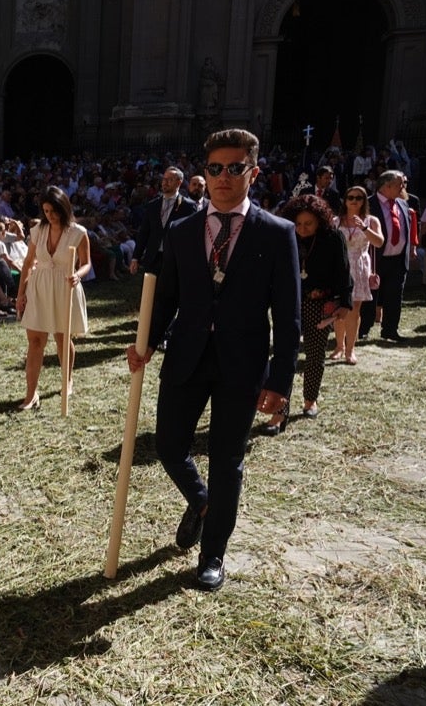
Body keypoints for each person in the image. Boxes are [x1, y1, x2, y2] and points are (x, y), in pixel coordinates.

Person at [126, 129, 300, 591]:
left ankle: (213, 553)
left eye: (235, 168)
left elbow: (287, 317)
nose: (224, 177)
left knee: (227, 460)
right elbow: (166, 299)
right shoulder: (182, 231)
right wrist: (145, 342)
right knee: (167, 445)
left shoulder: (277, 234)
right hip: (186, 358)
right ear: (205, 173)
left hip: (242, 368)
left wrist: (279, 381)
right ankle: (202, 502)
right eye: (216, 168)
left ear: (253, 172)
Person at [264, 195, 351, 433]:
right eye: (298, 224)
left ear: (319, 222)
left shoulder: (333, 238)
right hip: (287, 302)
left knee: (314, 355)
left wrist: (344, 302)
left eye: (308, 224)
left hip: (318, 304)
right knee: (284, 355)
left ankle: (310, 400)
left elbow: (344, 272)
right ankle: (279, 412)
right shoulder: (284, 236)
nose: (302, 229)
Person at [16, 185, 90, 409]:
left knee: (62, 338)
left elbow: (87, 263)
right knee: (35, 342)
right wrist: (21, 293)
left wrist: (78, 274)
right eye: (46, 211)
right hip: (39, 287)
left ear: (64, 207)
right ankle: (31, 394)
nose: (50, 215)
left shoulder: (78, 232)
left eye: (54, 210)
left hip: (64, 287)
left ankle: (67, 380)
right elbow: (28, 262)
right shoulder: (38, 230)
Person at [359, 170, 417, 342]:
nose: (403, 187)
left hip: (398, 260)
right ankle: (363, 329)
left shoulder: (403, 203)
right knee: (370, 296)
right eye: (400, 184)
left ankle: (390, 330)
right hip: (375, 258)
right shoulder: (368, 204)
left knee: (394, 296)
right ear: (387, 185)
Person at [332, 186, 384, 364]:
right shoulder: (336, 221)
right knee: (338, 308)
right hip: (339, 266)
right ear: (345, 200)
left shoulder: (371, 220)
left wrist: (365, 228)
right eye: (350, 197)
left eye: (359, 198)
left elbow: (378, 242)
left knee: (354, 310)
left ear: (364, 201)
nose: (354, 201)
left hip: (360, 265)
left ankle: (350, 350)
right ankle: (339, 346)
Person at [131, 167, 198, 276]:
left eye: (170, 180)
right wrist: (135, 257)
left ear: (179, 183)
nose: (165, 182)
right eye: (164, 179)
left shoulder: (188, 206)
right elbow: (144, 233)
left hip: (175, 259)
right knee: (150, 291)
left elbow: (192, 235)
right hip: (153, 258)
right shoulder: (152, 205)